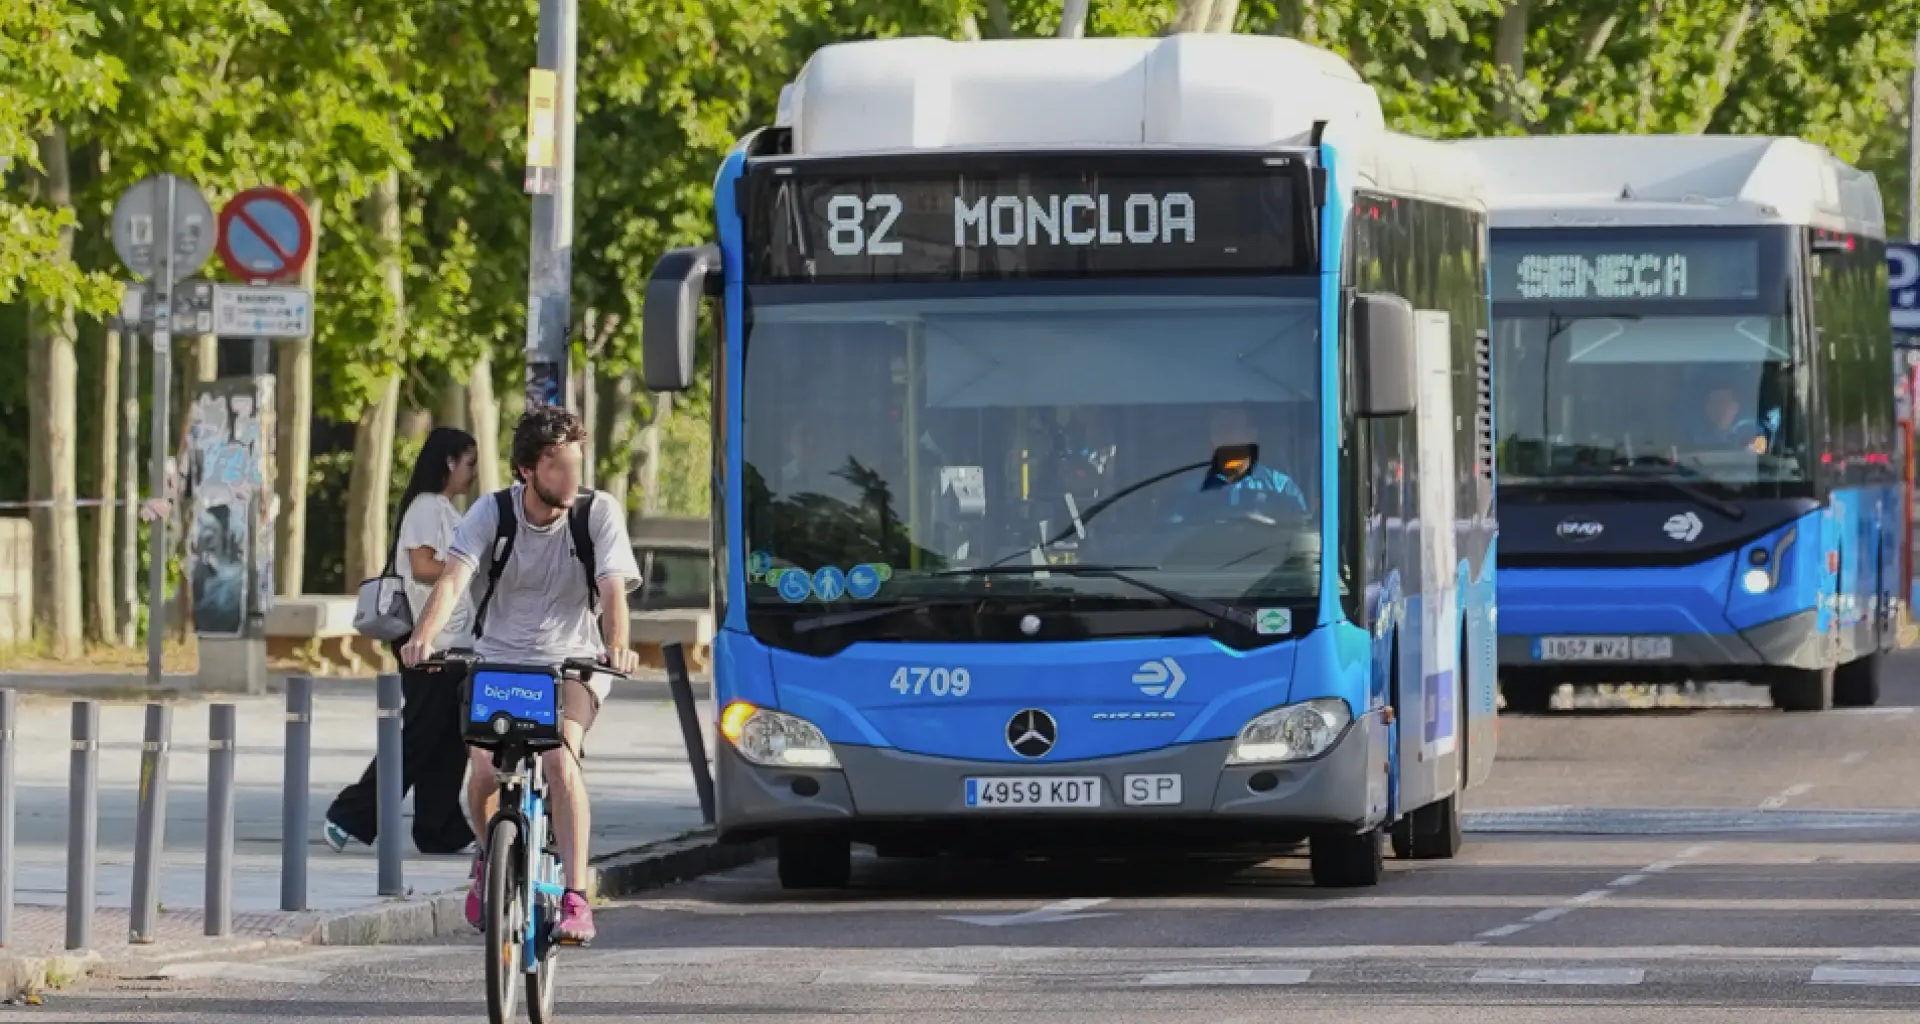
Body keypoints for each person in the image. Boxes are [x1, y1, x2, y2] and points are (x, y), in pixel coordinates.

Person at [401, 406, 641, 946]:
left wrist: (618, 647)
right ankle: (491, 858)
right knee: (483, 768)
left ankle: (576, 896)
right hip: (499, 659)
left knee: (560, 757)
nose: (570, 478)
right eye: (557, 466)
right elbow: (453, 580)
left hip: (573, 662)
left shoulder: (597, 513)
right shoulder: (491, 513)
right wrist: (424, 638)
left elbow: (611, 590)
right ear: (526, 471)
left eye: (575, 464)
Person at [324, 428, 481, 855]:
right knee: (418, 736)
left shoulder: (445, 509)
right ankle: (351, 813)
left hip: (455, 642)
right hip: (428, 641)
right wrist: (468, 565)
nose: (474, 474)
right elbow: (422, 566)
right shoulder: (427, 506)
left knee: (449, 739)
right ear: (449, 462)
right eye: (469, 463)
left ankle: (439, 828)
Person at [1167, 404, 1309, 524]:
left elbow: (1301, 529)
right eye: (1218, 428)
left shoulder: (1280, 486)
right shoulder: (1192, 490)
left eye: (1231, 427)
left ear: (1251, 435)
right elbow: (1173, 535)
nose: (1223, 434)